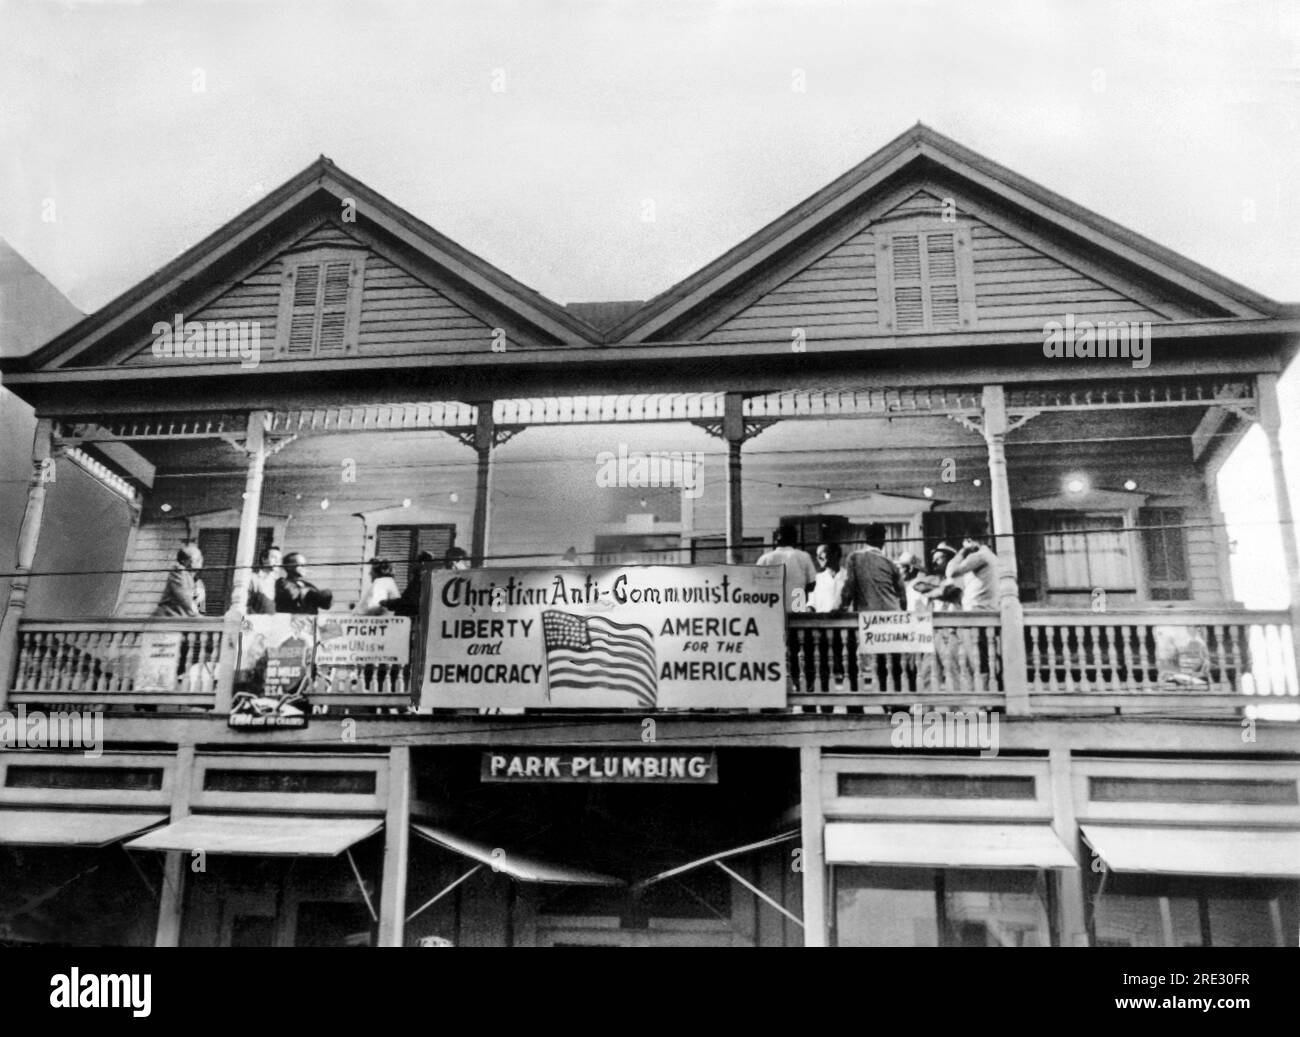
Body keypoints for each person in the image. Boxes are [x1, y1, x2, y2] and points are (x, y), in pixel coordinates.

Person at [837, 523, 905, 612]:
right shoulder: (891, 564)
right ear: (883, 540)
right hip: (891, 616)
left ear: (866, 539)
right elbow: (903, 599)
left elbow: (849, 589)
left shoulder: (854, 558)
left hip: (868, 618)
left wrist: (841, 609)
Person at [757, 527, 818, 613]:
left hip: (772, 612)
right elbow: (813, 584)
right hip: (797, 610)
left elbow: (756, 588)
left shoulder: (764, 559)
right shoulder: (803, 556)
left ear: (776, 540)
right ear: (795, 539)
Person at [155, 543, 205, 617]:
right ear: (184, 561)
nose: (200, 560)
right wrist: (197, 614)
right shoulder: (178, 570)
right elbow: (184, 598)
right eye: (197, 559)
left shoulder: (196, 580)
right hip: (168, 616)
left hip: (183, 617)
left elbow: (201, 606)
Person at [394, 550, 437, 618]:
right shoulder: (417, 580)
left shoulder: (423, 581)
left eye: (416, 562)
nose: (413, 565)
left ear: (423, 563)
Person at [808, 543, 846, 614]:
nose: (818, 558)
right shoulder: (818, 578)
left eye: (821, 553)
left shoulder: (848, 576)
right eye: (817, 554)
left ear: (835, 554)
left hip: (844, 621)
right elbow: (811, 604)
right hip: (822, 622)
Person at [247, 545, 282, 615]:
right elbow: (246, 605)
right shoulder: (252, 578)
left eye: (280, 559)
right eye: (274, 557)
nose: (278, 561)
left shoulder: (279, 582)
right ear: (264, 559)